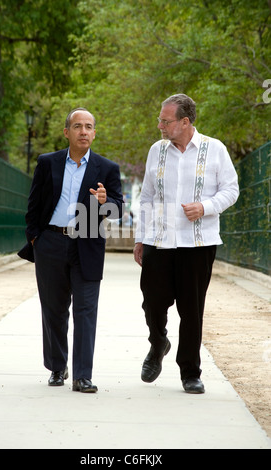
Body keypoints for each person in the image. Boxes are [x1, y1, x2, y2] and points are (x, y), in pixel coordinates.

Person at [134, 94, 239, 394]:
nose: (160, 126)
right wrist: (140, 238)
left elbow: (231, 190)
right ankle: (158, 343)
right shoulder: (157, 150)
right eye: (160, 120)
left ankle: (190, 372)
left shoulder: (214, 149)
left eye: (165, 121)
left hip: (199, 243)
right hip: (159, 240)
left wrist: (205, 207)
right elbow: (147, 196)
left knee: (191, 310)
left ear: (185, 122)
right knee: (152, 301)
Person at [18, 108, 123, 393]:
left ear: (94, 132)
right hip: (50, 242)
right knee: (53, 309)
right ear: (67, 132)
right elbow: (34, 205)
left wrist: (104, 201)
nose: (84, 131)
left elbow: (117, 210)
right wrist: (36, 238)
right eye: (78, 126)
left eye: (89, 126)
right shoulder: (47, 162)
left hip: (88, 242)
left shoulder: (107, 168)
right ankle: (56, 367)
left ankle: (82, 376)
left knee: (86, 311)